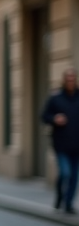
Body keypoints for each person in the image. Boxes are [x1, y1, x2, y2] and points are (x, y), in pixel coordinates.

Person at [41, 68, 79, 213]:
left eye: (73, 78)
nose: (70, 81)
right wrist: (54, 119)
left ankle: (68, 204)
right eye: (68, 78)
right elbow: (44, 116)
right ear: (64, 80)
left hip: (77, 145)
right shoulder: (55, 98)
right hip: (61, 144)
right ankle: (59, 197)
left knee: (74, 177)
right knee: (65, 173)